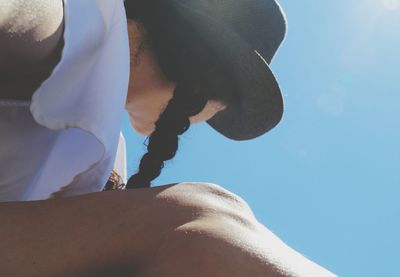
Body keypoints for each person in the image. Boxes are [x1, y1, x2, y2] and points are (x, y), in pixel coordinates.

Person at [0, 0, 336, 276]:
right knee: (205, 215)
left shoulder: (103, 155)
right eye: (218, 113)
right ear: (204, 84)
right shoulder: (79, 25)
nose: (202, 123)